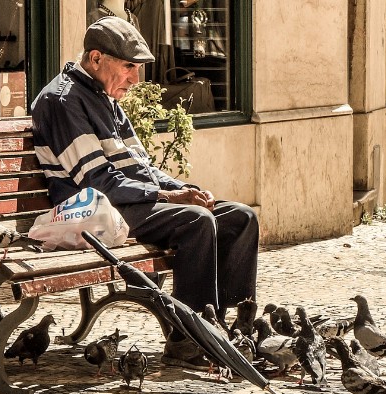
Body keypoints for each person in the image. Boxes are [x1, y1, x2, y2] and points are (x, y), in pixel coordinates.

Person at [29, 16, 259, 371]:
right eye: (129, 67)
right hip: (90, 213)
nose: (135, 79)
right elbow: (96, 182)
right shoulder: (63, 101)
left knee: (241, 217)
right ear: (96, 59)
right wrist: (169, 198)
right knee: (195, 222)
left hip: (121, 204)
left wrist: (180, 188)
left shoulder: (104, 96)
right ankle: (188, 342)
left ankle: (228, 329)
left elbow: (141, 167)